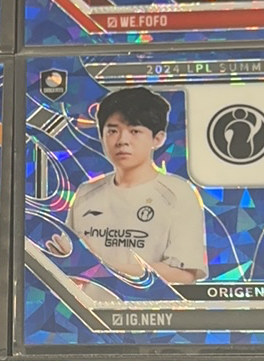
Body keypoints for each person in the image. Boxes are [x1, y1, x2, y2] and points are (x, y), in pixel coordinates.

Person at [46, 87, 207, 283]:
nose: (122, 141)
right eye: (113, 131)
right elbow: (72, 266)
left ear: (158, 139)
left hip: (148, 303)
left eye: (134, 131)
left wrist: (99, 267)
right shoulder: (86, 193)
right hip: (87, 303)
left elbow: (183, 274)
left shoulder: (178, 194)